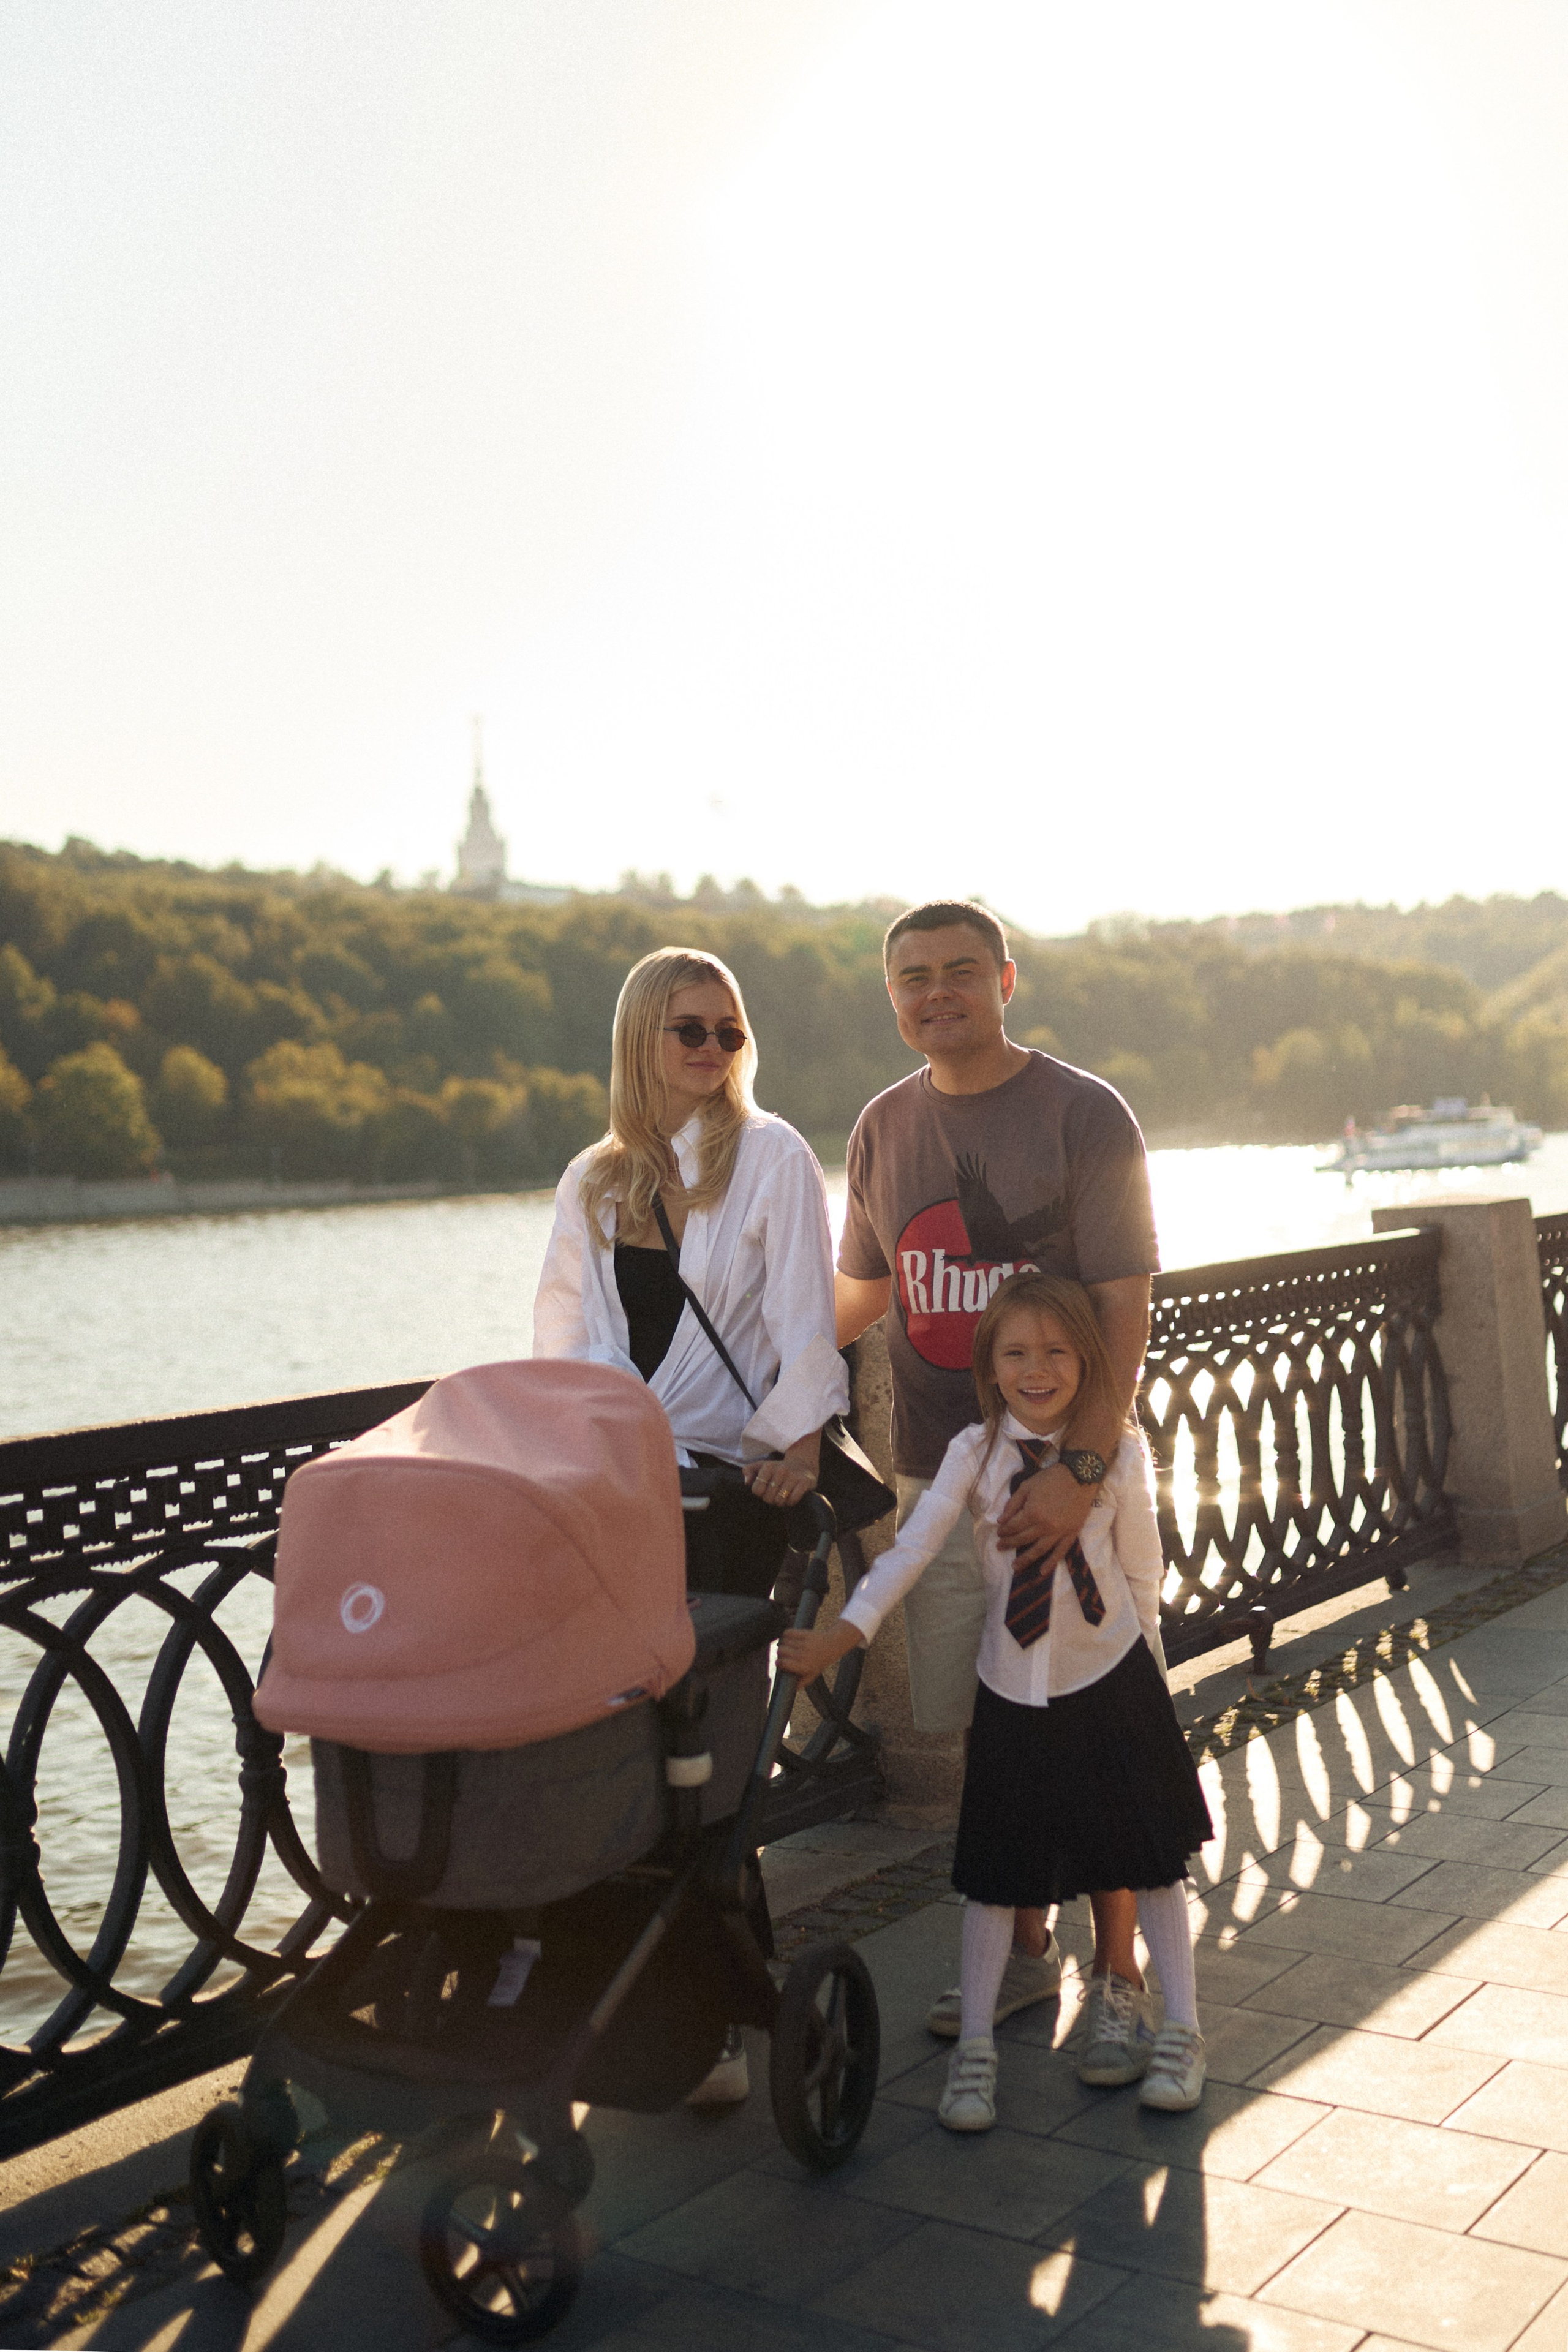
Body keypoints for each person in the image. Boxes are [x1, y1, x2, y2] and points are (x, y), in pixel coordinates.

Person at [834, 898, 1161, 2057]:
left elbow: (1124, 1310)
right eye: (914, 977)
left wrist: (1082, 1470)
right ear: (892, 996)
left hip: (1071, 1482)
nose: (938, 993)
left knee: (1100, 1728)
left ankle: (1121, 1974)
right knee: (991, 1740)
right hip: (943, 1482)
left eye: (961, 971)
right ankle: (1028, 1954)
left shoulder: (1084, 1112)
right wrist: (745, 1382)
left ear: (1006, 980)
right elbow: (860, 1298)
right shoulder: (881, 1127)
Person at [782, 1272, 1211, 2130]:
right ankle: (975, 2048)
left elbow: (1142, 1579)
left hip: (1112, 1679)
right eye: (1016, 1353)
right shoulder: (973, 1455)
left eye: (1057, 1352)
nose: (1037, 1370)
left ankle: (1184, 2030)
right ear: (989, 1367)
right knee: (994, 1872)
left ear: (1089, 1363)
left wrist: (1154, 1694)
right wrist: (843, 1635)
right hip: (1013, 1689)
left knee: (1149, 1857)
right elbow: (909, 1552)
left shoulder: (1119, 1456)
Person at [534, 944, 848, 2104]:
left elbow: (806, 1314)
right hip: (620, 1497)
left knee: (706, 1758)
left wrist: (800, 1444)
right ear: (641, 1039)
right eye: (691, 1030)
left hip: (729, 1496)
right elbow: (563, 1337)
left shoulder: (770, 1157)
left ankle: (720, 2019)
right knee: (621, 1751)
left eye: (731, 1030)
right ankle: (630, 2006)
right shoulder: (595, 1180)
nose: (716, 1049)